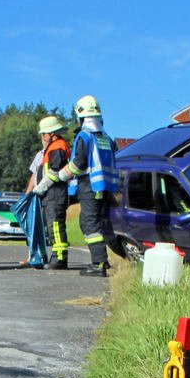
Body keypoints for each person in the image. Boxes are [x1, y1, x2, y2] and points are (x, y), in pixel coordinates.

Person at [58, 95, 120, 277]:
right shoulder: (106, 138)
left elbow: (78, 164)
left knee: (89, 224)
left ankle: (98, 264)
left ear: (81, 116)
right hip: (105, 187)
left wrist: (60, 175)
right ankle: (103, 261)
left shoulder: (84, 136)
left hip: (90, 186)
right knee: (96, 223)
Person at [29, 115, 71, 270]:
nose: (42, 137)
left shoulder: (57, 147)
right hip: (51, 195)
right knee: (53, 226)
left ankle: (59, 258)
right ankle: (57, 257)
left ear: (51, 133)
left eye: (43, 134)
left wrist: (40, 188)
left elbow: (54, 172)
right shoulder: (52, 148)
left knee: (55, 226)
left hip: (55, 194)